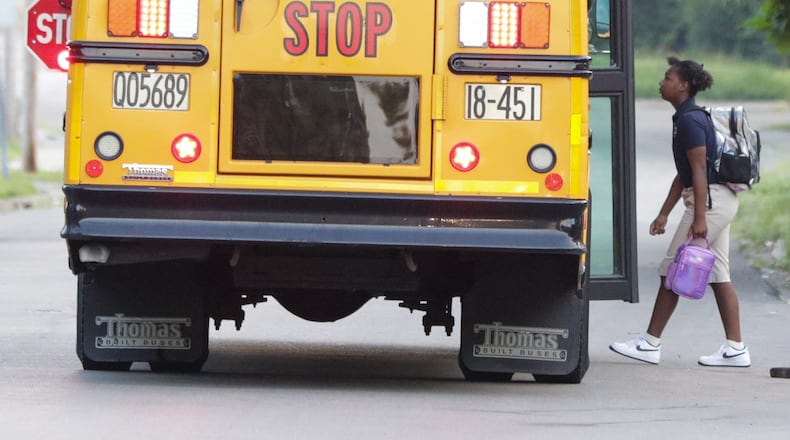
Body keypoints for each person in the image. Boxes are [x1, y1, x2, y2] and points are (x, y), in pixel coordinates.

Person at [609, 57, 751, 368]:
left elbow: (700, 169)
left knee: (672, 269)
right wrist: (664, 213)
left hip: (710, 202)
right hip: (714, 199)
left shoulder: (690, 120)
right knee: (719, 274)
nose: (662, 82)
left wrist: (699, 218)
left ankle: (649, 343)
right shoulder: (685, 117)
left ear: (684, 85)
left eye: (668, 78)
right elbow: (684, 173)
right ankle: (736, 348)